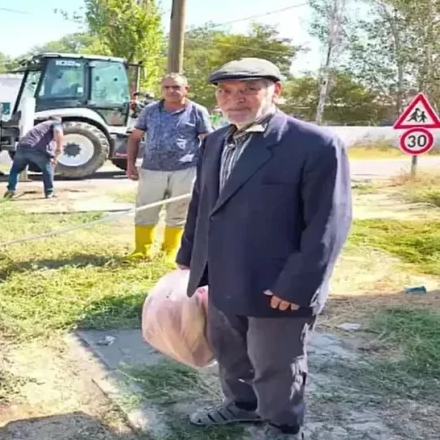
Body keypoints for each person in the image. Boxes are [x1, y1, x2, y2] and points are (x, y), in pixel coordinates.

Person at [175, 58, 353, 440]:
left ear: (276, 90)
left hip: (279, 284)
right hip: (223, 272)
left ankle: (283, 425)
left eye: (248, 90)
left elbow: (329, 223)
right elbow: (202, 204)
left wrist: (298, 285)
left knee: (275, 360)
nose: (234, 100)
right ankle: (242, 405)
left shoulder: (314, 144)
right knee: (230, 350)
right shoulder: (216, 142)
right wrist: (189, 259)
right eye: (225, 92)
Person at [125, 73, 211, 263]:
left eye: (176, 87)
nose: (171, 91)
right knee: (145, 210)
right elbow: (135, 137)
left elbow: (207, 141)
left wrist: (208, 169)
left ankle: (170, 252)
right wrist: (130, 164)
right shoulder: (150, 111)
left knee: (179, 212)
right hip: (152, 169)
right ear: (161, 89)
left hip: (185, 170)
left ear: (186, 89)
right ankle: (141, 250)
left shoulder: (197, 111)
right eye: (167, 87)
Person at [4, 116, 64, 199]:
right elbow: (58, 132)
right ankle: (49, 192)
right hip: (36, 149)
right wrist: (59, 147)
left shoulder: (40, 126)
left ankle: (11, 189)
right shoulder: (55, 123)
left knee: (15, 170)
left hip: (22, 147)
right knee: (47, 169)